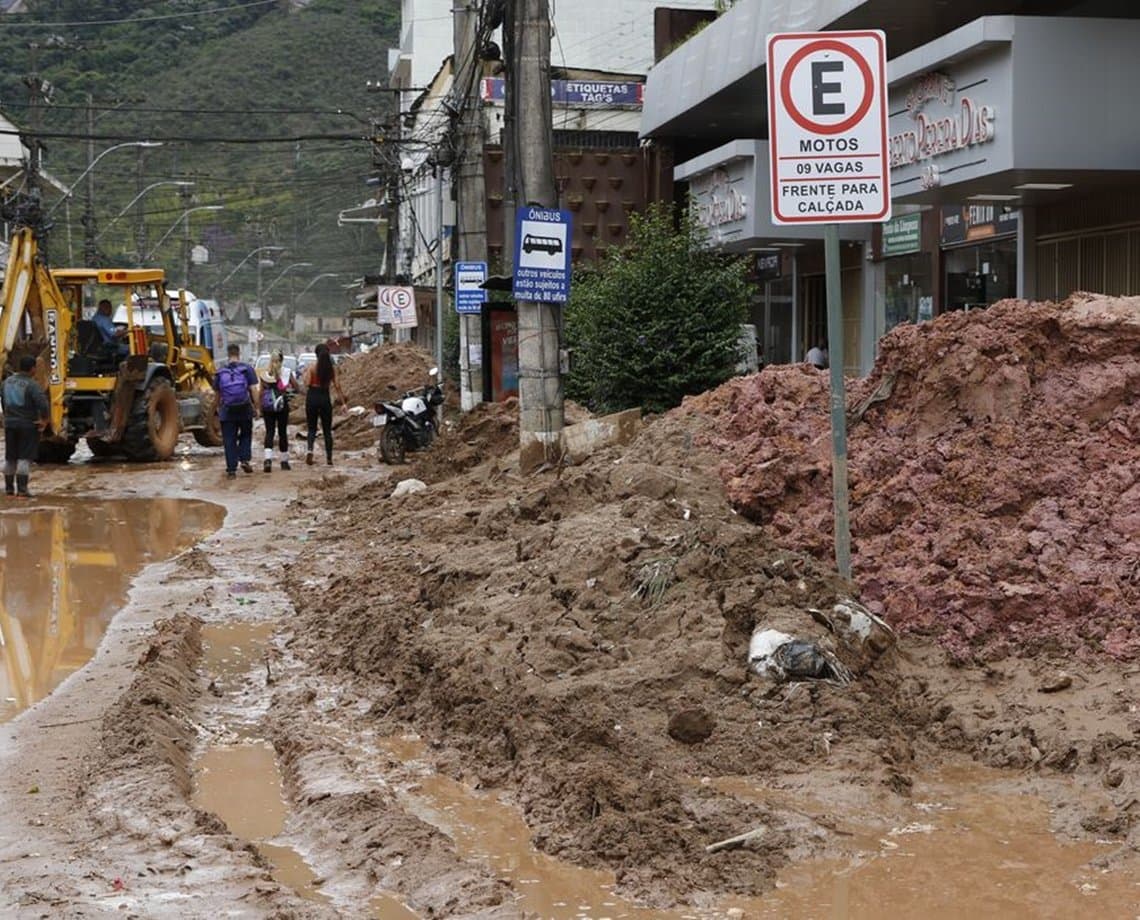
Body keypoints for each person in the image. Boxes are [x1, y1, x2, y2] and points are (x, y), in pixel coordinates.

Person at [1, 355, 50, 498]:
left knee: (10, 458)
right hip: (27, 425)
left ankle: (9, 490)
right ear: (33, 369)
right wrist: (45, 420)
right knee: (24, 457)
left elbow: (3, 401)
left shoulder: (6, 382)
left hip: (10, 424)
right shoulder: (32, 385)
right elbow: (43, 404)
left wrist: (7, 417)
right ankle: (22, 490)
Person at [213, 344, 258, 479]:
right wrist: (257, 407)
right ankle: (244, 459)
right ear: (239, 354)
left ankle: (231, 469)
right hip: (244, 409)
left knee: (229, 439)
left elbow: (217, 394)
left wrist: (216, 409)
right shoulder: (247, 369)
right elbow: (254, 390)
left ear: (228, 355)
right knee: (245, 434)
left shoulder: (221, 372)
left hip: (227, 411)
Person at [300, 343, 347, 466]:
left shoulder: (312, 367)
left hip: (312, 397)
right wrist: (343, 403)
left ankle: (310, 450)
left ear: (316, 355)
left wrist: (305, 373)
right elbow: (337, 386)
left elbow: (306, 383)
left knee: (311, 428)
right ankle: (329, 458)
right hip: (325, 397)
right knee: (327, 430)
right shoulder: (331, 369)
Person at [258, 350, 295, 472]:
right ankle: (284, 461)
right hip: (282, 406)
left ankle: (268, 460)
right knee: (282, 432)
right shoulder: (287, 373)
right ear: (282, 360)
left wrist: (259, 407)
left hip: (268, 407)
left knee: (270, 432)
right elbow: (297, 387)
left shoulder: (264, 375)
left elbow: (261, 392)